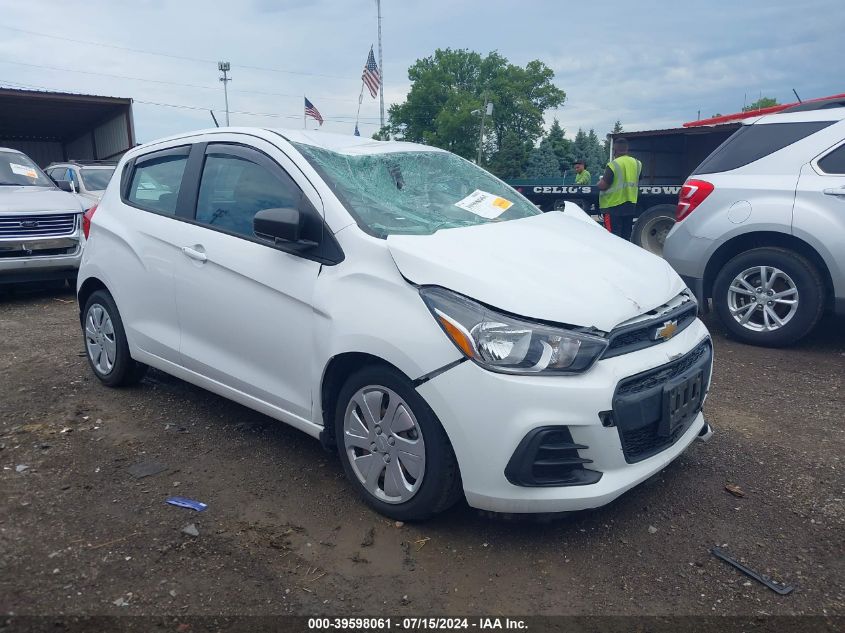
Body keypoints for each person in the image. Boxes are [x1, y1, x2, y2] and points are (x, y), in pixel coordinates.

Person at [597, 137, 642, 240]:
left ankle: (612, 256)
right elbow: (638, 179)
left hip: (613, 206)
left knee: (613, 238)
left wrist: (599, 183)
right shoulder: (637, 163)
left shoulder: (614, 164)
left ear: (614, 150)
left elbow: (604, 185)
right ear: (627, 150)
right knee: (625, 237)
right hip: (630, 205)